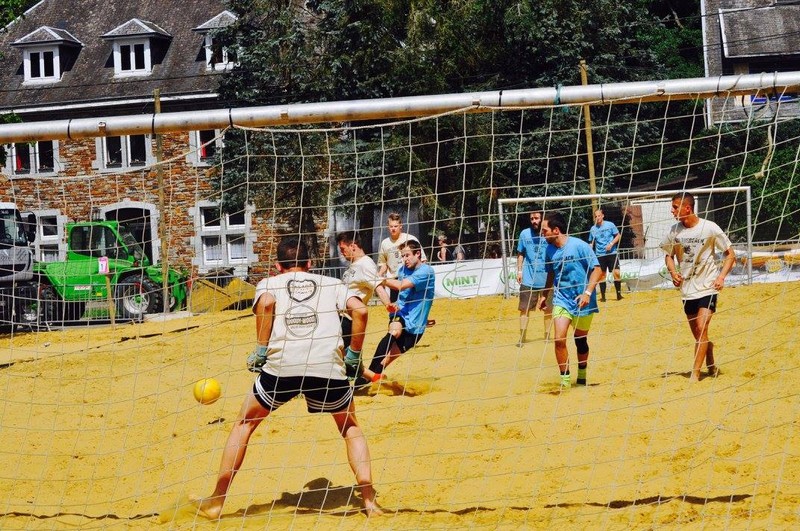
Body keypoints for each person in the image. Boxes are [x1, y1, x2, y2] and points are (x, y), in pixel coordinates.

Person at [192, 238, 382, 519]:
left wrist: (260, 349)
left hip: (282, 368)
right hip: (326, 367)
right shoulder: (332, 284)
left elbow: (267, 304)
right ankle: (369, 501)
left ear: (278, 266)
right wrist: (354, 354)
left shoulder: (269, 284)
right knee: (350, 427)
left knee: (244, 425)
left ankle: (216, 501)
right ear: (310, 264)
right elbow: (361, 310)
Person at [660, 192, 735, 382]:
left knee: (701, 328)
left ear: (687, 208)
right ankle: (709, 352)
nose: (672, 210)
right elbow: (668, 256)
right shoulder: (674, 231)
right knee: (698, 333)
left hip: (708, 286)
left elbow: (730, 254)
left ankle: (695, 374)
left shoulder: (709, 227)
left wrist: (721, 277)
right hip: (687, 289)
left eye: (675, 207)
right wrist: (673, 273)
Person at [538, 211, 603, 389]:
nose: (542, 234)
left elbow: (597, 270)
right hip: (562, 299)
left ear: (556, 230)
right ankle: (565, 381)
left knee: (580, 340)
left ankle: (582, 375)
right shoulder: (549, 250)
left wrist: (587, 293)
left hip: (584, 299)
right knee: (559, 339)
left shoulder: (579, 246)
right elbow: (551, 273)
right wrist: (544, 295)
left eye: (544, 231)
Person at [357, 239, 435, 387]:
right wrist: (392, 305)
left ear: (418, 254)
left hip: (415, 327)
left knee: (384, 362)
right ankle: (359, 383)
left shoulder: (426, 271)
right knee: (394, 331)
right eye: (402, 256)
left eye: (407, 255)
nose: (404, 259)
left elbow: (401, 286)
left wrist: (377, 278)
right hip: (400, 313)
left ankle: (366, 379)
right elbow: (402, 294)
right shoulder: (403, 270)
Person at [336, 230, 392, 379]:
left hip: (348, 320)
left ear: (353, 246)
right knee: (343, 358)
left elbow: (378, 286)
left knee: (335, 356)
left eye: (343, 249)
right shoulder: (354, 265)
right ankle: (375, 379)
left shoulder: (365, 264)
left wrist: (388, 305)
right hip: (341, 318)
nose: (342, 253)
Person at [516, 211, 551, 346]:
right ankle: (522, 338)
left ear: (542, 219)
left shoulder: (548, 233)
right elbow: (520, 254)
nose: (534, 221)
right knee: (524, 309)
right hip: (528, 279)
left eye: (536, 218)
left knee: (548, 309)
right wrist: (519, 271)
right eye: (532, 218)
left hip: (547, 279)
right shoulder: (524, 234)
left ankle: (547, 337)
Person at [378, 212, 427, 302]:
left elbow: (422, 259)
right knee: (396, 308)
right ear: (388, 227)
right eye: (391, 226)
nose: (393, 228)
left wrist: (419, 277)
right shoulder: (384, 243)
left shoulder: (410, 239)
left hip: (410, 278)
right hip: (394, 280)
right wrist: (379, 275)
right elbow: (384, 263)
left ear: (401, 226)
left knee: (413, 306)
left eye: (395, 226)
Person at [588, 208, 624, 301]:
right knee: (602, 276)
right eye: (596, 216)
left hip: (612, 253)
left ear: (602, 216)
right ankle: (603, 297)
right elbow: (591, 242)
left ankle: (619, 295)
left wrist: (611, 244)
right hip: (600, 255)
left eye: (599, 216)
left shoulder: (610, 225)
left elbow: (618, 235)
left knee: (616, 273)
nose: (597, 218)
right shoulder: (593, 229)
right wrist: (590, 249)